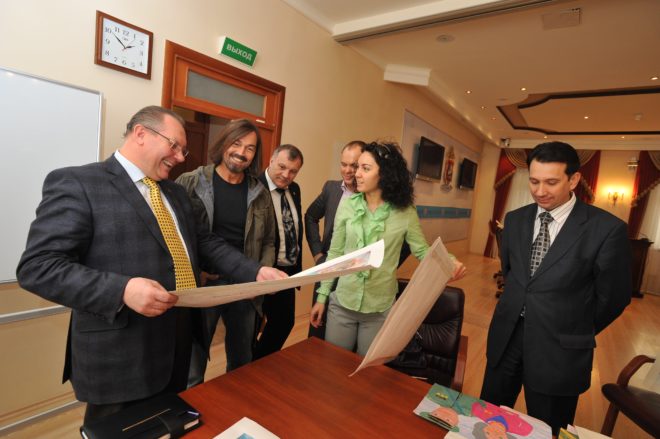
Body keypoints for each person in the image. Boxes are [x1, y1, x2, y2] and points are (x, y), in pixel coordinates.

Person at [16, 106, 286, 423]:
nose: (180, 157)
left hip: (177, 347)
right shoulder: (80, 183)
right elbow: (39, 266)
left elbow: (205, 243)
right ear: (141, 133)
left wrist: (255, 271)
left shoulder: (177, 193)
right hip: (121, 356)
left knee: (168, 425)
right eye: (174, 146)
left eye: (183, 150)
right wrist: (122, 290)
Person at [480, 141, 632, 435]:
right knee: (489, 419)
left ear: (573, 180)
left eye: (551, 182)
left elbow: (614, 297)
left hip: (560, 349)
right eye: (534, 181)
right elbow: (512, 274)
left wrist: (576, 327)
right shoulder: (515, 219)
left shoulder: (606, 229)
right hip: (507, 336)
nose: (539, 191)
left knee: (548, 428)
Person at [309, 141, 466, 356]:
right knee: (334, 364)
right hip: (343, 302)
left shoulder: (405, 212)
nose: (357, 174)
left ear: (384, 174)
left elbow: (421, 250)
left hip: (379, 308)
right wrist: (322, 297)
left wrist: (450, 261)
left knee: (369, 371)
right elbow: (335, 254)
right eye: (358, 167)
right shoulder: (347, 205)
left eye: (365, 168)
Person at [176, 118, 276, 385]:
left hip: (245, 285)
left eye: (250, 148)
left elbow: (269, 241)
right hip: (204, 284)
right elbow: (175, 235)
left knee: (242, 360)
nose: (242, 153)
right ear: (223, 143)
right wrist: (196, 271)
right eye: (236, 143)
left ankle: (235, 403)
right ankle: (191, 406)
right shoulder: (190, 182)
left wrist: (259, 279)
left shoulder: (259, 193)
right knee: (193, 361)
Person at [304, 140, 364, 339]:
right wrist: (317, 253)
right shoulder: (331, 188)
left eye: (353, 165)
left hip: (357, 277)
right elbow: (310, 216)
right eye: (343, 164)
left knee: (345, 335)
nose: (347, 170)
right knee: (317, 329)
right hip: (328, 266)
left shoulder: (373, 196)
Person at [254, 144, 304, 358]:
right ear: (271, 160)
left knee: (284, 323)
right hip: (260, 269)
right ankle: (249, 368)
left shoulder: (295, 189)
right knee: (252, 327)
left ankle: (260, 363)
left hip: (287, 271)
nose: (286, 175)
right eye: (282, 167)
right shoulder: (254, 186)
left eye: (293, 171)